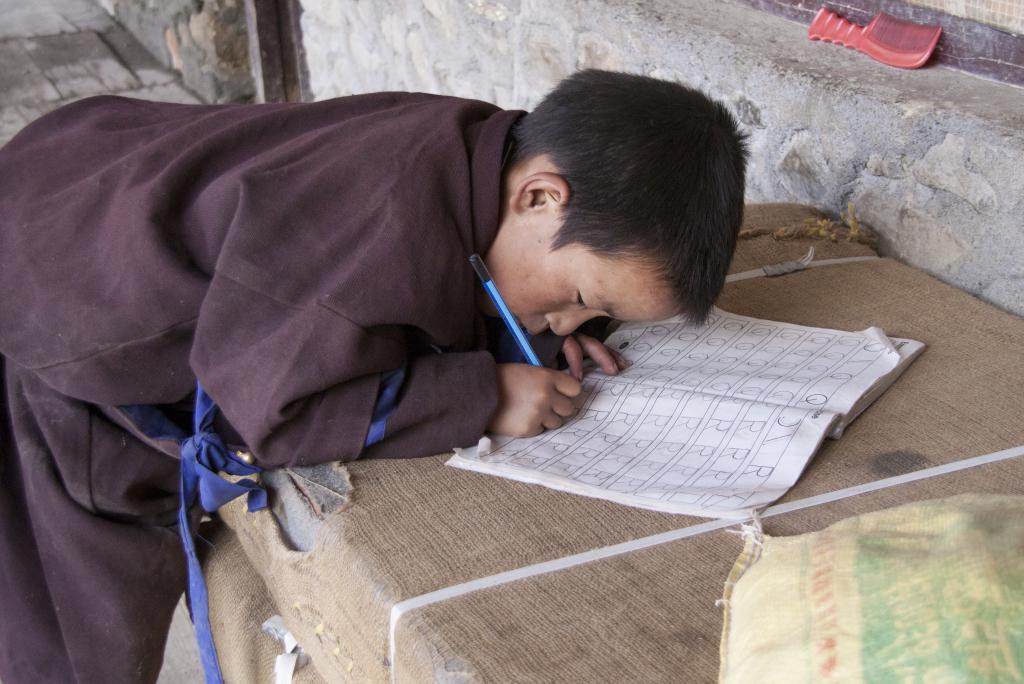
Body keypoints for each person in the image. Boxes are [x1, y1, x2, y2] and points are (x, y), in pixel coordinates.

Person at [0, 69, 747, 682]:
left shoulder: (486, 155)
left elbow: (480, 278)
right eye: (581, 300)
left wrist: (554, 328)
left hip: (96, 165)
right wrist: (482, 393)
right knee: (72, 628)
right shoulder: (377, 228)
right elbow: (274, 415)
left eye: (592, 319)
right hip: (61, 300)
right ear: (540, 195)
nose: (570, 328)